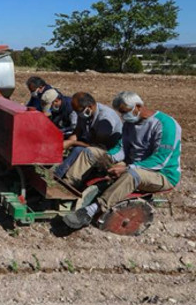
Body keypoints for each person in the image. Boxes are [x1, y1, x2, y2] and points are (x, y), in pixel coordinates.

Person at [62, 91, 181, 229]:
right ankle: (67, 188)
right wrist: (107, 158)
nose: (123, 116)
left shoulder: (166, 125)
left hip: (161, 173)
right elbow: (122, 148)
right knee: (91, 152)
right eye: (121, 113)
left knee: (132, 175)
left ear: (137, 106)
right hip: (133, 164)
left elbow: (160, 160)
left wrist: (127, 168)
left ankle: (92, 209)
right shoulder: (130, 124)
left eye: (125, 112)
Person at [53, 92, 123, 182]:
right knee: (70, 145)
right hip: (93, 143)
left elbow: (95, 145)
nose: (77, 114)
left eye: (78, 111)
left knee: (78, 149)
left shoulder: (105, 119)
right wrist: (66, 144)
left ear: (89, 107)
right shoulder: (84, 112)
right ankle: (58, 171)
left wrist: (72, 143)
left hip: (107, 150)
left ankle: (61, 177)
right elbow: (77, 132)